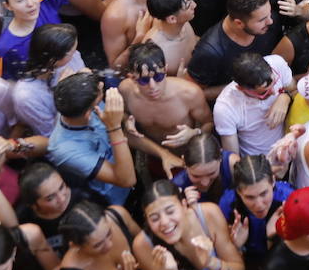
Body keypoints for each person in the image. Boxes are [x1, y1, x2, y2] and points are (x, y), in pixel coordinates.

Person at [132, 179, 244, 270]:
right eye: (155, 218)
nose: (165, 222)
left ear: (184, 205)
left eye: (170, 211)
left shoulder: (208, 214)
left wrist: (211, 262)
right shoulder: (143, 245)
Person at [118, 41, 213, 172]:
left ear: (166, 70)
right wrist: (126, 120)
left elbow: (209, 122)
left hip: (188, 156)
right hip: (151, 152)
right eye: (144, 80)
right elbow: (122, 115)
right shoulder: (125, 90)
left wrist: (195, 133)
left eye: (158, 77)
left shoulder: (189, 93)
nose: (152, 86)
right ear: (132, 78)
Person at [48, 73, 137, 206]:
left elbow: (117, 116)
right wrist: (114, 128)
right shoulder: (64, 149)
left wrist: (126, 120)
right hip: (115, 198)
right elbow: (127, 179)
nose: (102, 88)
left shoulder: (77, 100)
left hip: (129, 164)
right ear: (89, 113)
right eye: (100, 98)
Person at [185, 0, 282, 101]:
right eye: (262, 20)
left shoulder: (268, 22)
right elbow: (194, 93)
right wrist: (244, 88)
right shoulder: (210, 52)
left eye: (269, 14)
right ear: (239, 23)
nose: (270, 21)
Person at [56, 199, 147, 270]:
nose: (109, 244)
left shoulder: (117, 215)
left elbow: (147, 245)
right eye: (98, 245)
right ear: (76, 246)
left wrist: (145, 264)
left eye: (109, 233)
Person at [217, 154, 294, 270]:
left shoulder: (289, 199)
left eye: (263, 194)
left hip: (282, 260)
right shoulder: (227, 204)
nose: (259, 205)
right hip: (245, 261)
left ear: (273, 181)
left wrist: (275, 238)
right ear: (238, 191)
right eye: (250, 197)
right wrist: (236, 247)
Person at [13, 24, 88, 137]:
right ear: (53, 60)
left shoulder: (72, 58)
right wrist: (63, 96)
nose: (76, 54)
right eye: (71, 53)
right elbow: (51, 135)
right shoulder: (26, 96)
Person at [213, 52, 294, 156]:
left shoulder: (277, 64)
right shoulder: (225, 108)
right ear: (240, 88)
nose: (274, 92)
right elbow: (232, 157)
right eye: (264, 92)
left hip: (289, 149)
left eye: (274, 83)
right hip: (258, 161)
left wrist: (285, 97)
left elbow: (295, 90)